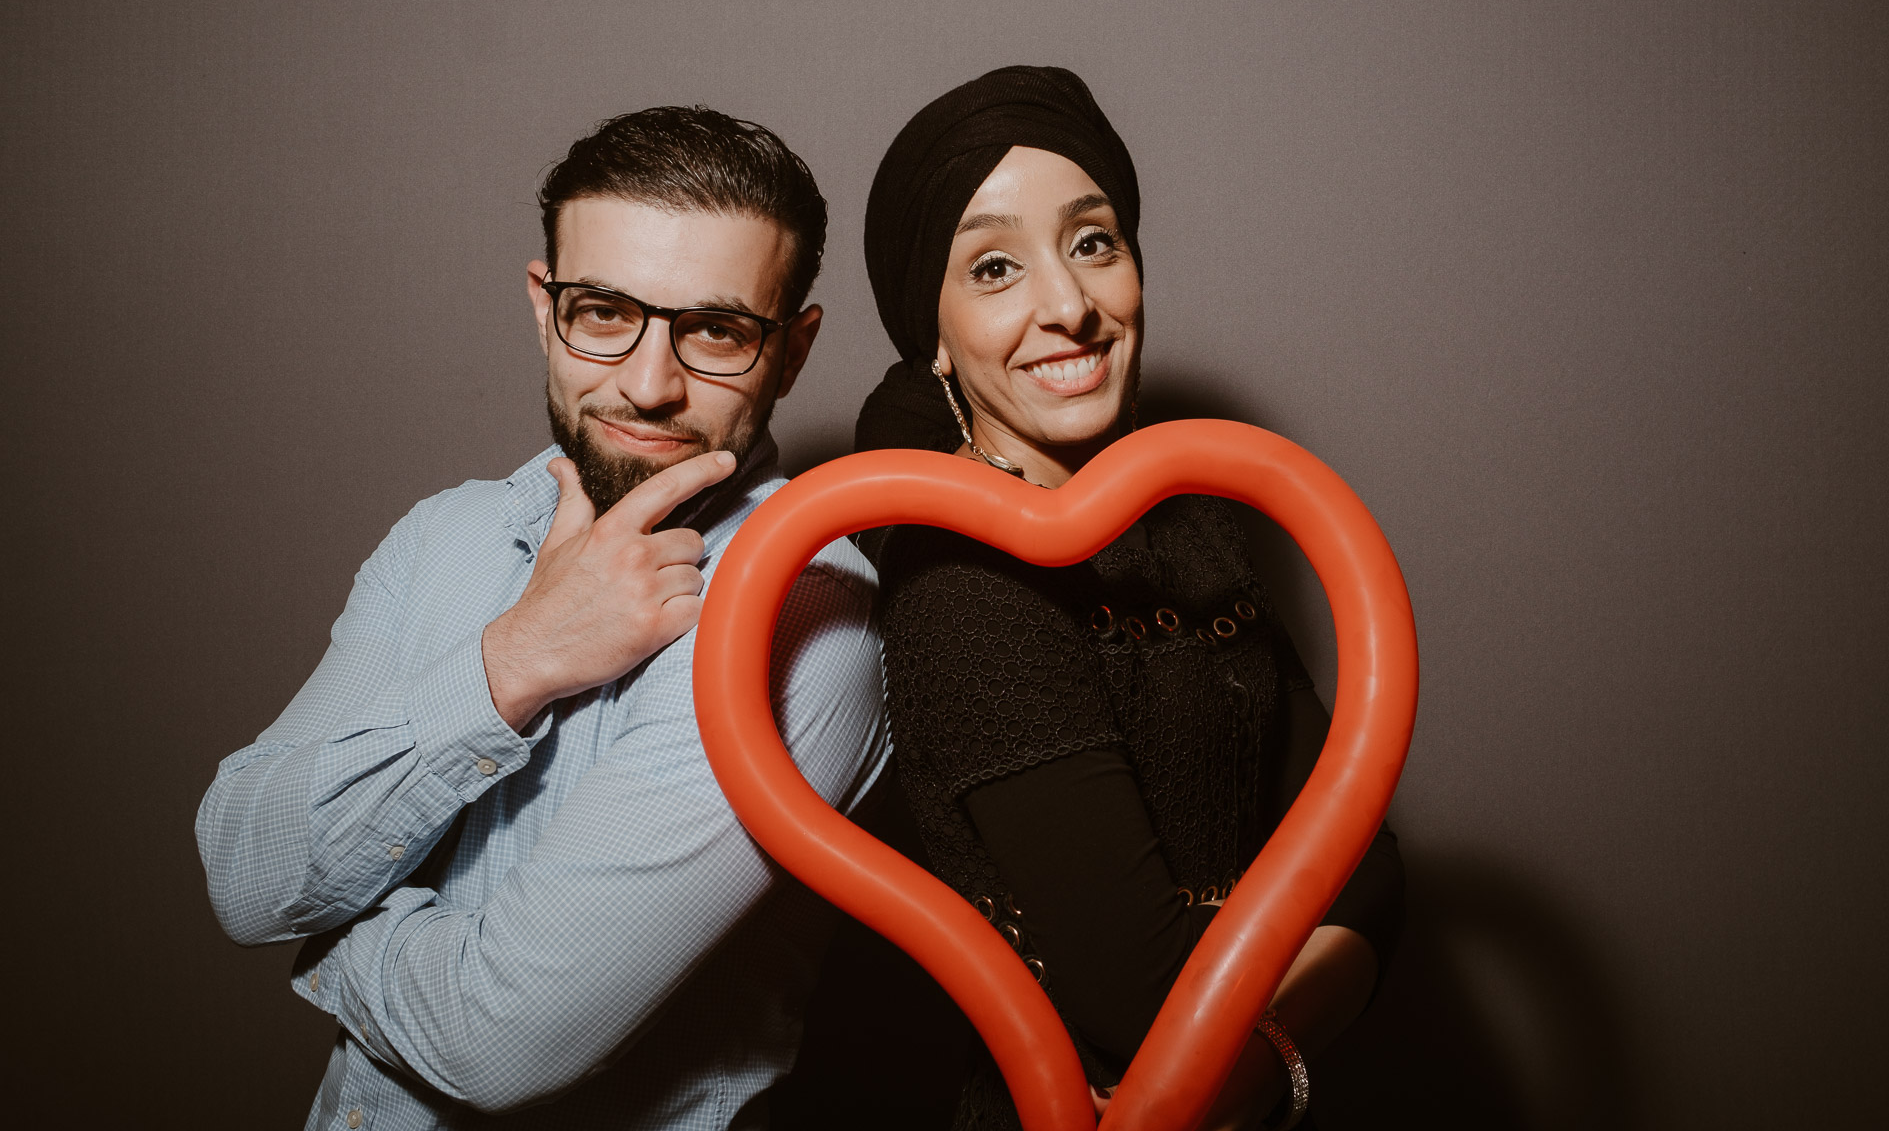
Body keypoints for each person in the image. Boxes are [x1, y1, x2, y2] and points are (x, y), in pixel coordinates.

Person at [196, 107, 889, 1130]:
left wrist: (333, 936)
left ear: (790, 351)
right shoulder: (446, 535)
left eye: (714, 329)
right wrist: (516, 660)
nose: (648, 384)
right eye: (604, 310)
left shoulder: (810, 616)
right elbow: (239, 867)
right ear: (543, 305)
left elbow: (497, 1039)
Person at [853, 66, 1405, 1131]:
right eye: (995, 265)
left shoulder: (1191, 527)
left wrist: (1254, 1057)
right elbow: (1145, 1003)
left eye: (1092, 241)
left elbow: (1366, 867)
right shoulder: (958, 586)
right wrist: (1256, 1035)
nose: (1067, 305)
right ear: (931, 332)